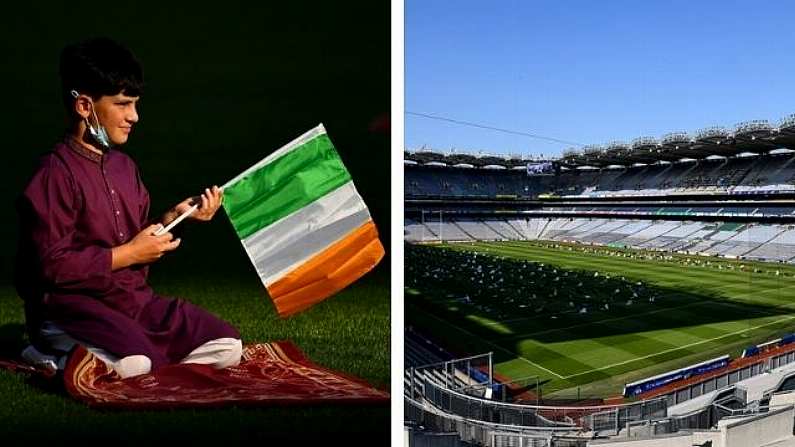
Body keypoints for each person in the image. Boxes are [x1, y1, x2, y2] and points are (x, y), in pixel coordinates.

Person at [13, 37, 242, 378]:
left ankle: (131, 356)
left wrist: (174, 218)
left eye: (135, 104)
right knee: (136, 364)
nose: (134, 116)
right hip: (70, 309)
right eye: (122, 104)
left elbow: (132, 236)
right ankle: (45, 354)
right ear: (84, 107)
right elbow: (49, 267)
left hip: (131, 302)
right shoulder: (53, 174)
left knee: (227, 346)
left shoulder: (125, 167)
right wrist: (130, 254)